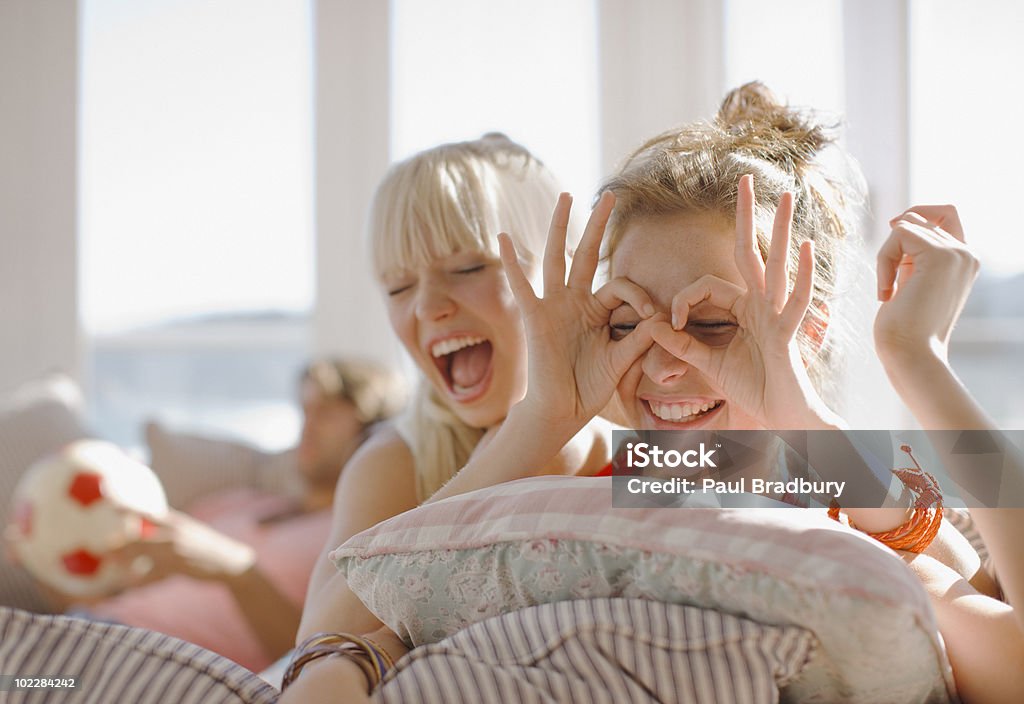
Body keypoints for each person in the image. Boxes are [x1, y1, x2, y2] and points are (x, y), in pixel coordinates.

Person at [283, 85, 1021, 703]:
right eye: (629, 322)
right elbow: (340, 627)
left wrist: (915, 359)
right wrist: (539, 418)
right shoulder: (607, 477)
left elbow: (1002, 639)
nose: (666, 363)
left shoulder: (829, 497)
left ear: (809, 331)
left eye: (710, 324)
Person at [69, 357, 403, 672]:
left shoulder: (355, 535)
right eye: (305, 412)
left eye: (326, 414)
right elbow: (119, 590)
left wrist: (238, 574)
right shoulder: (239, 502)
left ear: (372, 433)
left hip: (153, 663)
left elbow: (314, 654)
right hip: (82, 629)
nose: (307, 428)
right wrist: (48, 562)